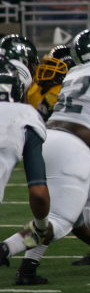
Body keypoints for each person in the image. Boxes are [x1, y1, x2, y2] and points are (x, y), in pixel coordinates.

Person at [0, 28, 90, 284]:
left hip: (49, 137)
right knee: (59, 221)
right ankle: (6, 248)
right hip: (75, 147)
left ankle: (28, 268)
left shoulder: (75, 72)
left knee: (52, 215)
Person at [0, 57, 50, 270]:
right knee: (59, 222)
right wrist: (41, 227)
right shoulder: (26, 114)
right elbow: (39, 193)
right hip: (73, 163)